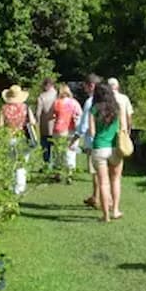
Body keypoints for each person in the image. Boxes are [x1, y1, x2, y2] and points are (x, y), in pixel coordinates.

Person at [89, 82, 125, 222]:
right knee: (115, 180)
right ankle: (115, 210)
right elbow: (123, 127)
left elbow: (92, 131)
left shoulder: (94, 109)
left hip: (99, 147)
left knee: (103, 183)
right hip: (115, 147)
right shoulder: (117, 108)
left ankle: (106, 216)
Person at [0, 84, 37, 196]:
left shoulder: (4, 108)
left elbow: (0, 125)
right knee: (22, 163)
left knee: (11, 162)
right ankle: (20, 187)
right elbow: (33, 122)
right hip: (22, 137)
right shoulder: (25, 107)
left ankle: (11, 185)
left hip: (9, 137)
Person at [76, 74, 102, 208]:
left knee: (95, 172)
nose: (84, 89)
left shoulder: (90, 101)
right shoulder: (107, 100)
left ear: (91, 85)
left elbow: (84, 124)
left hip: (92, 141)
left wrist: (75, 138)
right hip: (106, 141)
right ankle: (98, 196)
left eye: (85, 86)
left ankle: (97, 197)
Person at [51, 84, 82, 183]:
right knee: (70, 152)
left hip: (58, 130)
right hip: (70, 130)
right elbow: (80, 114)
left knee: (58, 152)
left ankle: (58, 173)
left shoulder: (56, 103)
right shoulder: (74, 103)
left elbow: (52, 115)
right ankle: (69, 174)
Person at [36, 78, 59, 169]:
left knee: (45, 147)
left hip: (45, 125)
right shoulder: (58, 95)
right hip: (57, 125)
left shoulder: (41, 97)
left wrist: (37, 122)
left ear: (46, 85)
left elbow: (38, 113)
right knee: (57, 147)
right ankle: (57, 165)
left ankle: (46, 165)